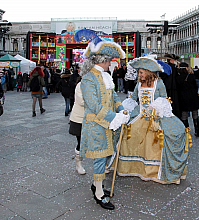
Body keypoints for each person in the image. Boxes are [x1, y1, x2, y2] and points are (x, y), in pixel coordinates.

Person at [114, 57, 191, 185]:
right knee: (129, 136)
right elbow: (133, 98)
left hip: (154, 116)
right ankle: (134, 167)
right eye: (139, 72)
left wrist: (154, 107)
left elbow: (164, 99)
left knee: (158, 139)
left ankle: (153, 170)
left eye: (141, 72)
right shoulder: (139, 83)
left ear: (149, 72)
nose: (139, 75)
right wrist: (125, 108)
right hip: (139, 115)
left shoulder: (159, 83)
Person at [79, 38, 129, 210]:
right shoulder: (88, 79)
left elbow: (114, 97)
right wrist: (114, 117)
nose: (111, 64)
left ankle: (96, 184)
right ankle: (98, 194)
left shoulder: (106, 76)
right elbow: (94, 106)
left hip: (108, 124)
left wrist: (121, 109)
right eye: (110, 61)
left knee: (107, 154)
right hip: (96, 125)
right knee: (100, 158)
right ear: (103, 60)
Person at [177, 62, 199, 137]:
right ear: (186, 68)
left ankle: (187, 131)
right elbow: (195, 86)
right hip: (193, 97)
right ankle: (197, 131)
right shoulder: (191, 76)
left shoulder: (178, 77)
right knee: (195, 114)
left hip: (183, 97)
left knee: (184, 115)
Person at [69, 72, 86, 175]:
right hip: (79, 119)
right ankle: (78, 164)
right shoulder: (80, 85)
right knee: (81, 143)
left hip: (91, 119)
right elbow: (82, 101)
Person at [163, 53, 181, 118]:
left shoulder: (165, 67)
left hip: (167, 87)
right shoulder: (174, 68)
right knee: (174, 102)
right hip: (174, 87)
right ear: (171, 60)